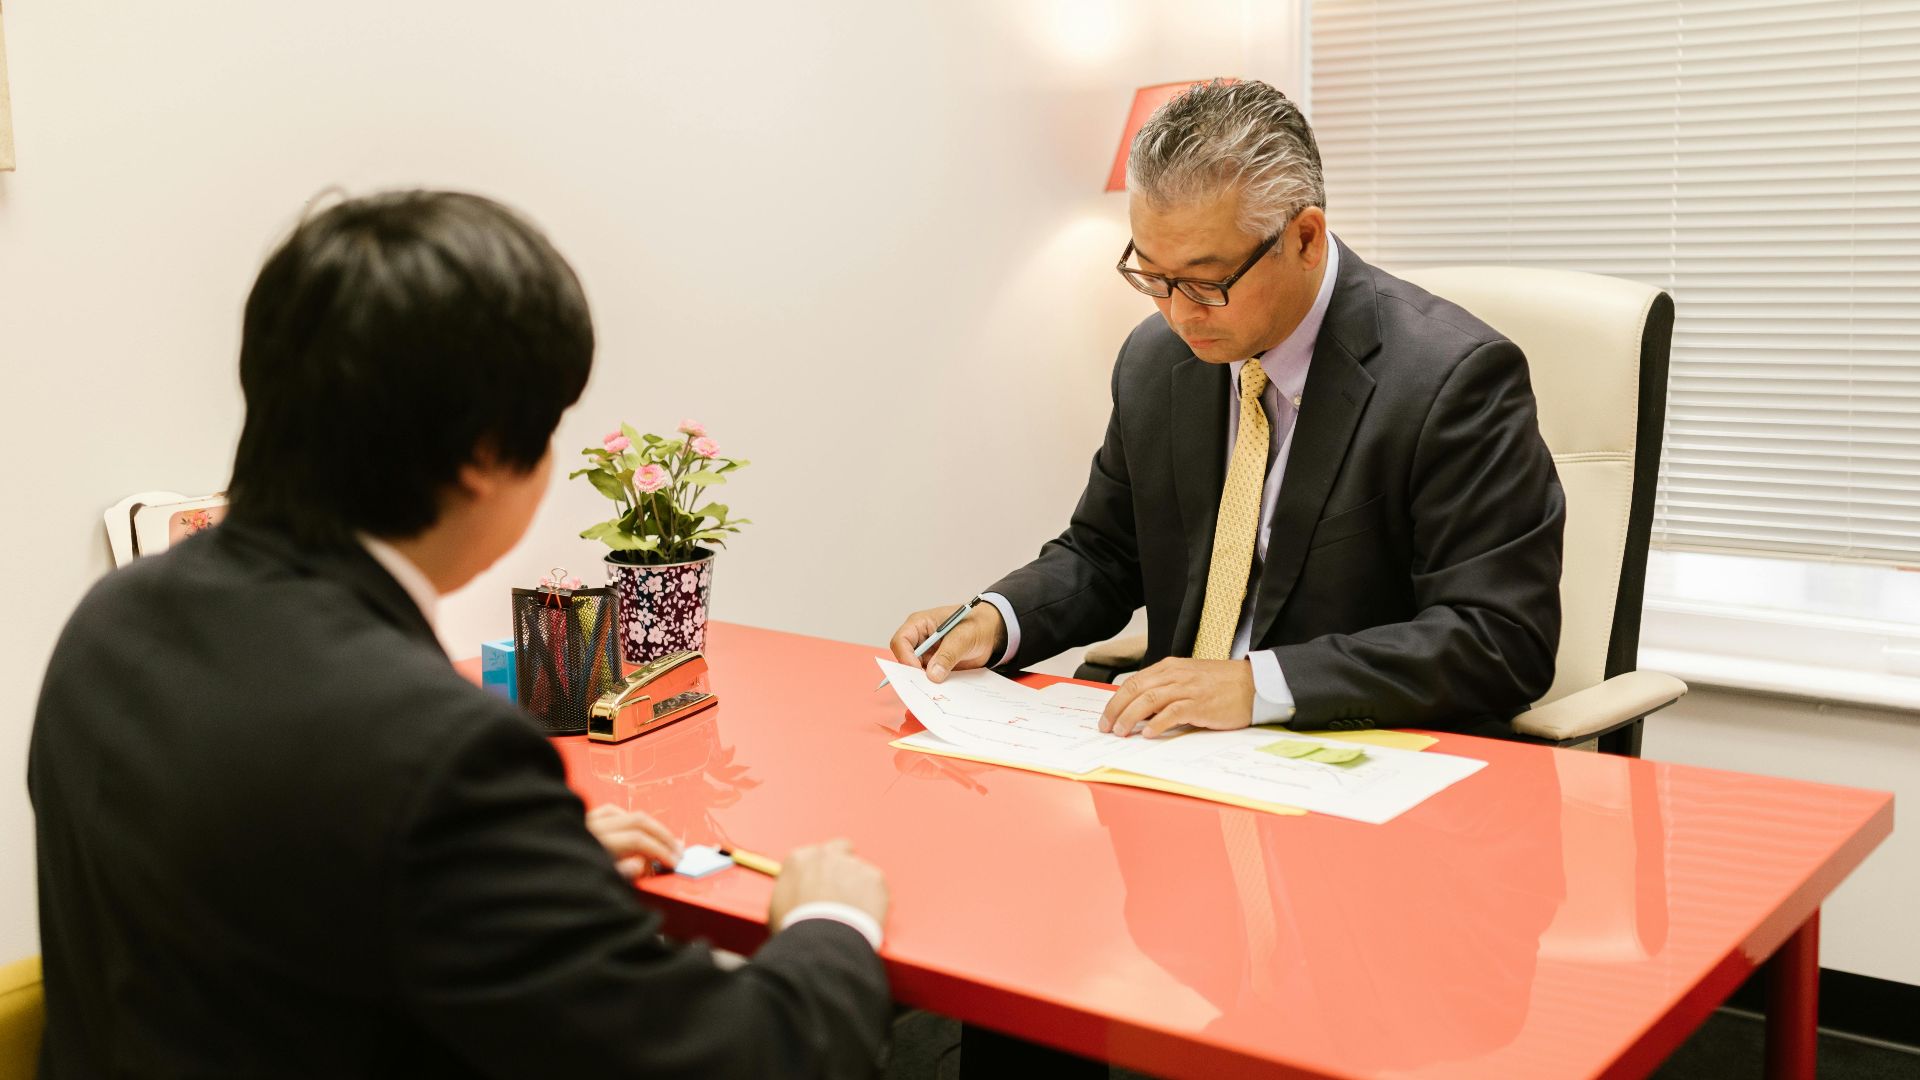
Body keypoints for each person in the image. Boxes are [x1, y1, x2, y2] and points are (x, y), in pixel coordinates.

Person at [30, 190, 891, 1078]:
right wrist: (831, 925)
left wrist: (515, 877)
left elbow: (269, 885)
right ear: (485, 455)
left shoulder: (113, 622)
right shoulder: (438, 756)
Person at [891, 79, 1563, 743]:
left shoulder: (1451, 378)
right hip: (1173, 749)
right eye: (1154, 278)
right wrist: (997, 619)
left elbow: (1498, 640)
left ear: (1305, 238)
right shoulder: (1157, 359)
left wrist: (1258, 685)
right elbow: (1104, 554)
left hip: (1357, 756)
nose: (1180, 315)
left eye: (1208, 283)